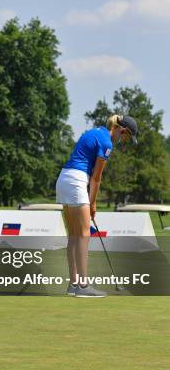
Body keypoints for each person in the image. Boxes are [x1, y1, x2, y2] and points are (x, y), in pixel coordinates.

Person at [56, 115, 138, 298]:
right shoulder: (107, 143)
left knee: (75, 235)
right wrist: (92, 204)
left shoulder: (95, 132)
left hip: (63, 179)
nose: (124, 141)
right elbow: (96, 178)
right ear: (122, 130)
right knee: (84, 234)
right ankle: (83, 286)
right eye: (126, 137)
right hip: (77, 180)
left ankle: (74, 284)